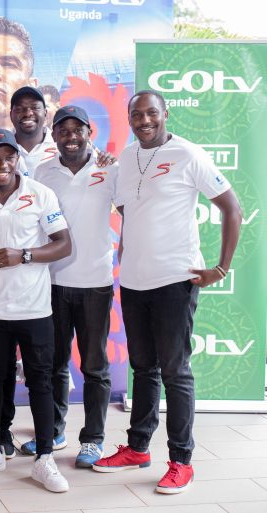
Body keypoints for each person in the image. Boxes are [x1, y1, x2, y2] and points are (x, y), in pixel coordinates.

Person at [93, 91, 242, 494]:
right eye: (136, 115)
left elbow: (232, 208)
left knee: (175, 371)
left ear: (165, 113)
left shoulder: (188, 154)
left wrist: (221, 268)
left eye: (151, 113)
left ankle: (181, 461)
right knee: (143, 368)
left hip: (175, 280)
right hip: (134, 281)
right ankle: (138, 448)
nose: (144, 121)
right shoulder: (127, 157)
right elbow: (129, 209)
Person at [0, 129, 71, 492]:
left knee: (41, 381)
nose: (2, 164)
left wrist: (23, 255)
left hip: (35, 308)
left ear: (17, 159)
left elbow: (63, 245)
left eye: (9, 157)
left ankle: (44, 458)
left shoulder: (40, 194)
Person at [30, 106, 117, 467]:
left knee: (94, 366)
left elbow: (132, 212)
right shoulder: (43, 172)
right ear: (54, 136)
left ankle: (93, 440)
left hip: (95, 282)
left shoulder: (110, 168)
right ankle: (53, 432)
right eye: (62, 130)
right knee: (53, 364)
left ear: (88, 132)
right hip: (53, 281)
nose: (70, 136)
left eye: (77, 130)